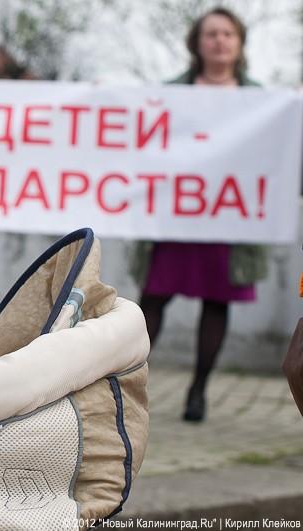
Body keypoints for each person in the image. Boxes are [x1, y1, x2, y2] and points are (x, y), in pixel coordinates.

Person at [130, 7, 267, 423]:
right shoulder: (168, 93)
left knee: (216, 302)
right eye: (211, 34)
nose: (219, 41)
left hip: (227, 219)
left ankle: (199, 390)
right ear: (198, 43)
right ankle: (128, 384)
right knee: (152, 300)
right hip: (176, 216)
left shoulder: (262, 99)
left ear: (239, 42)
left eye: (227, 33)